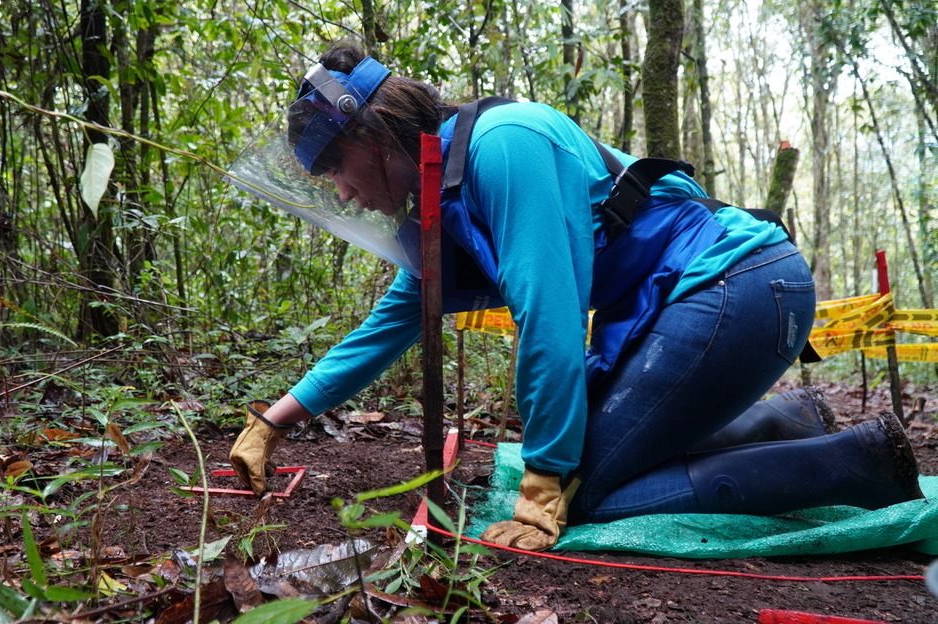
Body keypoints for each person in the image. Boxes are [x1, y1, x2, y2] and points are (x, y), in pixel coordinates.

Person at [228, 44, 925, 552]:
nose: (343, 195)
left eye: (337, 172)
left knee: (582, 490)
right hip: (706, 301)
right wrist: (273, 422)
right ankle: (790, 422)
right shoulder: (444, 200)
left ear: (375, 139)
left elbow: (551, 326)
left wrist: (543, 485)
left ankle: (855, 463)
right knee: (594, 455)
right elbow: (386, 328)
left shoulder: (503, 146)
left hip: (736, 285)